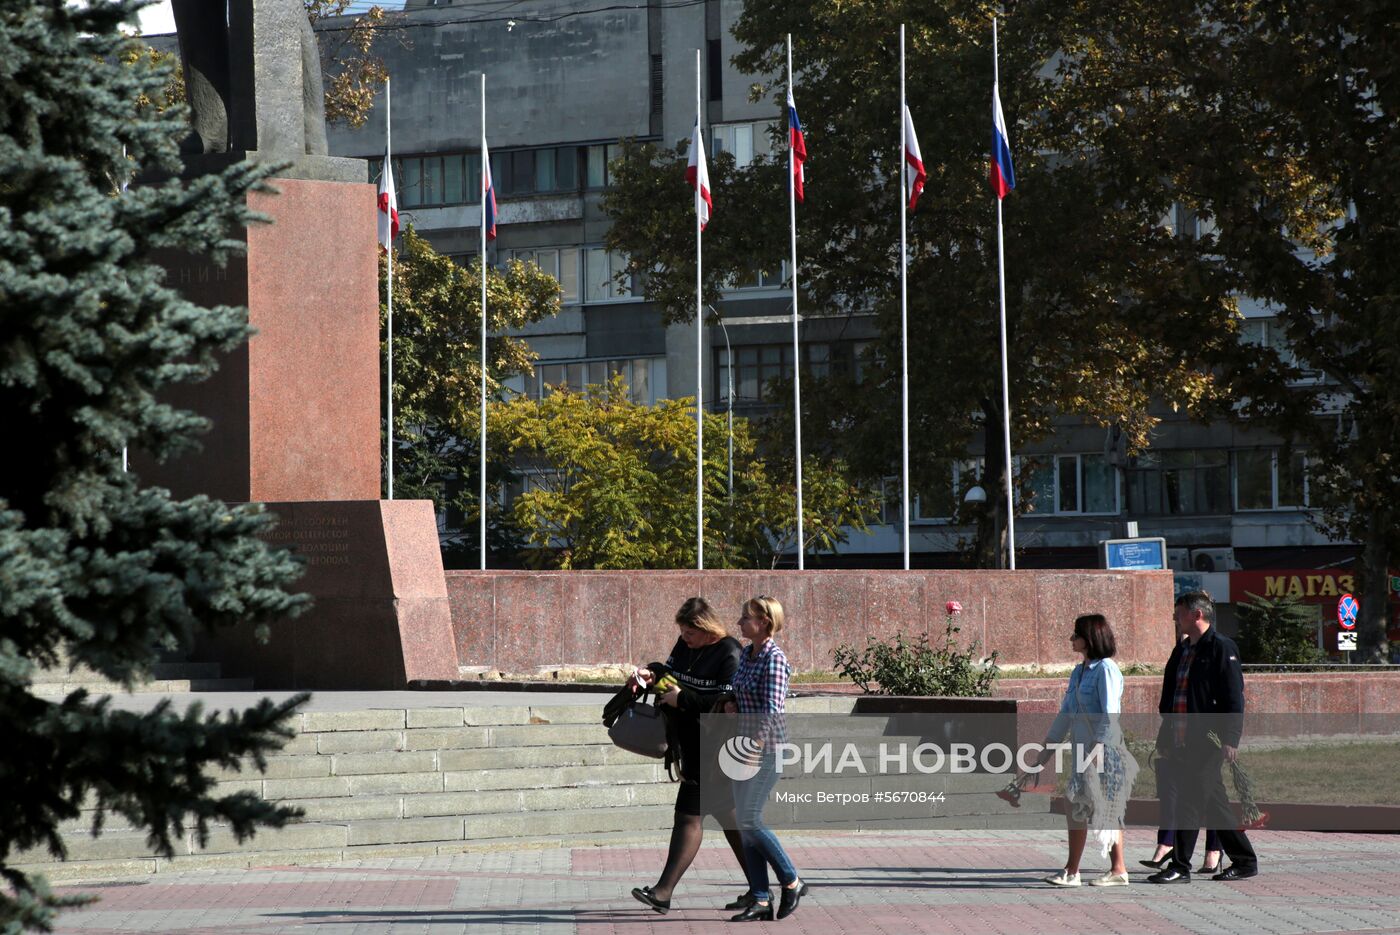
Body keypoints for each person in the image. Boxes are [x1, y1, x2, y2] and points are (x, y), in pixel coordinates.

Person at [630, 597, 746, 914]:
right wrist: (651, 674)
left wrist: (683, 698)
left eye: (689, 633)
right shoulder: (685, 647)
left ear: (707, 629)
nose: (684, 639)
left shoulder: (729, 651)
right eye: (681, 632)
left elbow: (724, 701)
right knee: (729, 818)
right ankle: (770, 884)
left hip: (717, 747)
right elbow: (671, 672)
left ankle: (663, 892)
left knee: (688, 816)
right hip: (692, 743)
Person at [1147, 590, 1259, 884]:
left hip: (1209, 739)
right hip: (1182, 739)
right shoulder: (1182, 650)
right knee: (1214, 804)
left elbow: (1235, 698)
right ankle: (1245, 861)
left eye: (1179, 612)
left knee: (1190, 800)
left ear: (1197, 614)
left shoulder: (1222, 647)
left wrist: (1231, 738)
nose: (1175, 617)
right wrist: (1166, 737)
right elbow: (1170, 698)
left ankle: (1180, 866)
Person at [1020, 613, 1136, 887]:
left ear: (1090, 638)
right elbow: (1065, 716)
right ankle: (1104, 869)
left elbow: (1110, 715)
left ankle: (1080, 871)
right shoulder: (1079, 671)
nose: (1071, 639)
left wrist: (1097, 752)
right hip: (1083, 752)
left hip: (1103, 751)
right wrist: (1044, 754)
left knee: (1091, 806)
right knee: (1085, 806)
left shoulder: (1106, 669)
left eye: (1076, 634)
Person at [724, 596, 807, 921]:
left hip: (765, 750)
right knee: (744, 826)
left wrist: (753, 751)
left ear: (764, 623)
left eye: (746, 618)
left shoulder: (774, 659)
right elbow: (740, 691)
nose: (740, 623)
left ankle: (791, 880)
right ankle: (760, 898)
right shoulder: (747, 652)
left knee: (751, 820)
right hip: (742, 746)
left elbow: (772, 713)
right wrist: (732, 703)